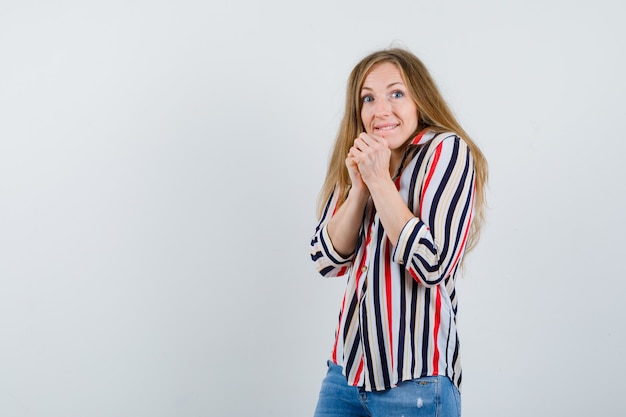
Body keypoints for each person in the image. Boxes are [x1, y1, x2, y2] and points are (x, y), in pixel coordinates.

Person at [309, 47, 488, 417]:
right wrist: (360, 187)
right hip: (345, 374)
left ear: (419, 100)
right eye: (368, 98)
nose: (381, 110)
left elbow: (432, 264)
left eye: (396, 93)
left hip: (417, 380)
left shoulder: (445, 151)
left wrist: (379, 181)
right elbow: (326, 259)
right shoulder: (359, 156)